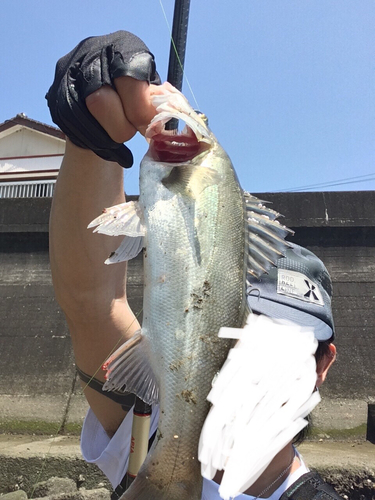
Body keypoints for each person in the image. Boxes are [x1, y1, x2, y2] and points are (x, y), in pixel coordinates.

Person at [47, 31, 343, 500]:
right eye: (240, 334)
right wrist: (91, 142)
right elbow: (92, 301)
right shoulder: (152, 427)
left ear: (321, 365)